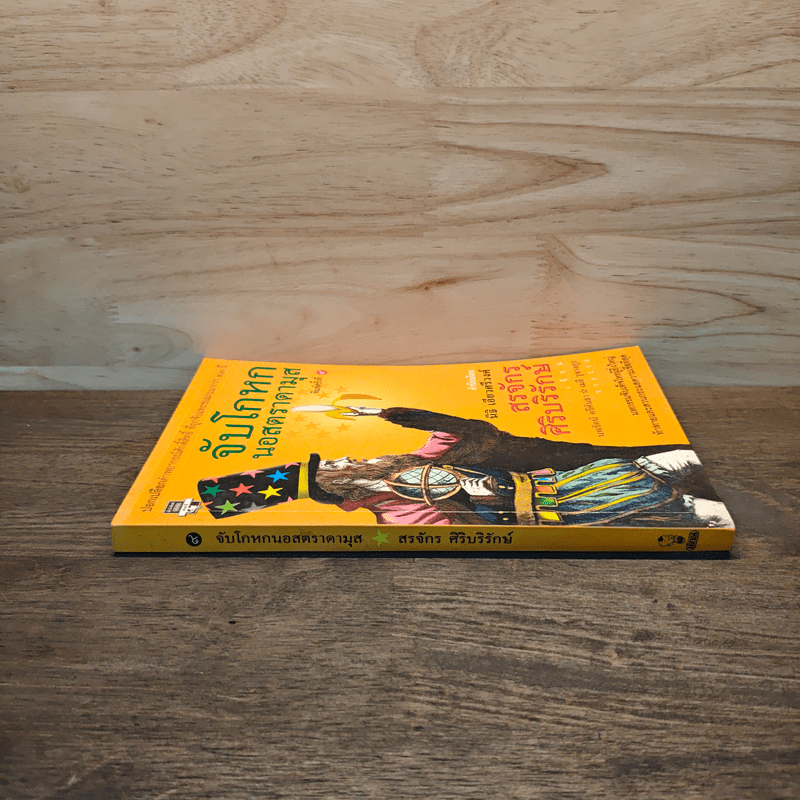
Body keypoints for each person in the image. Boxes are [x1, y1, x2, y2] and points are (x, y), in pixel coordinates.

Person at [198, 406, 732, 529]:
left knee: (679, 464)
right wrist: (232, 497)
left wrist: (388, 414)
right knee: (699, 516)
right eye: (333, 466)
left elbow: (452, 431)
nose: (343, 457)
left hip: (575, 479)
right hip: (573, 513)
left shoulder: (415, 462)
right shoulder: (395, 514)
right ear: (341, 487)